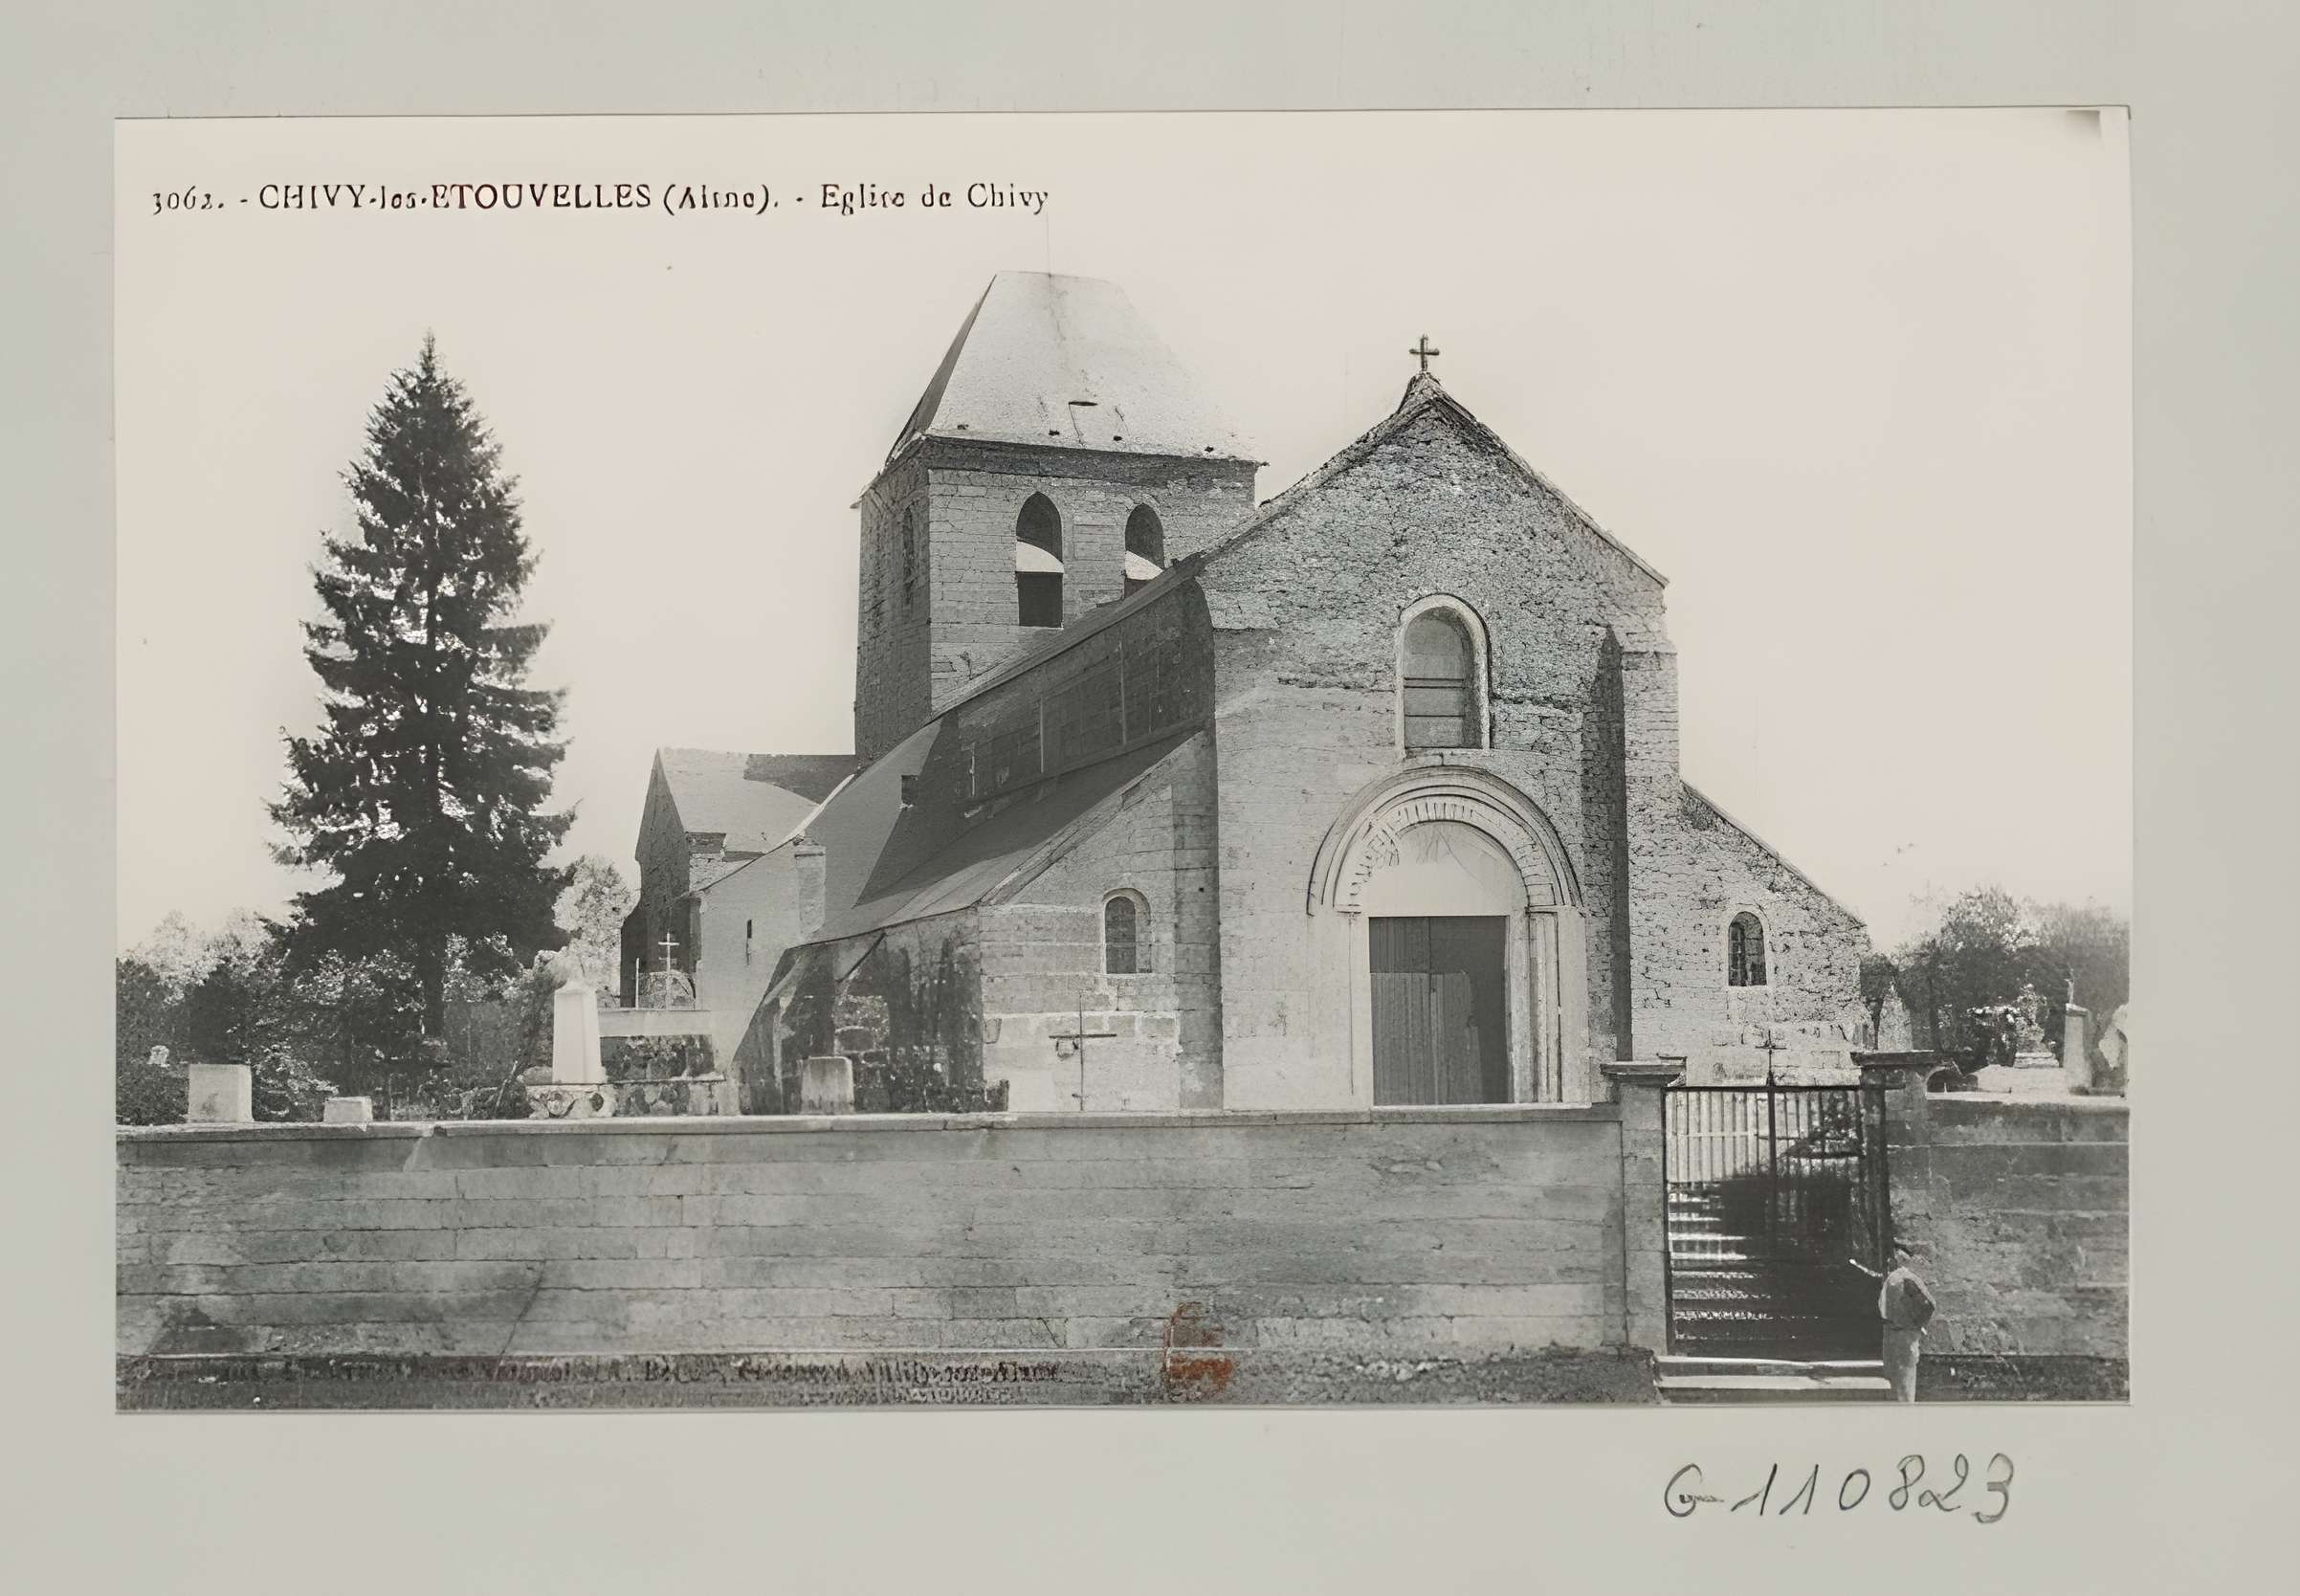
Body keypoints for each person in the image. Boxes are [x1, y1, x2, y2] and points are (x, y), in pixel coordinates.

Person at [1849, 1240, 1936, 1402]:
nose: (1891, 1260)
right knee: (1893, 1379)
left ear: (1903, 1259)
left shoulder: (1907, 1278)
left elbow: (1929, 1304)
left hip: (1905, 1334)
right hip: (1891, 1332)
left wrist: (1917, 1324)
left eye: (1896, 1256)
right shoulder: (1892, 1277)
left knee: (1904, 1381)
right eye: (1891, 1256)